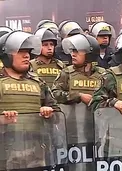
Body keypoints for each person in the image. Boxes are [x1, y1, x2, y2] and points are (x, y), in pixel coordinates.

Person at [0, 31, 60, 169]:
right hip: (4, 157)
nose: (26, 55)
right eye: (20, 52)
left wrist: (49, 113)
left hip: (36, 156)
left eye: (27, 52)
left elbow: (57, 114)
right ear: (7, 56)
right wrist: (1, 120)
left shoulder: (38, 82)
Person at [51, 34, 105, 105]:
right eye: (73, 51)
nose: (73, 54)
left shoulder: (103, 74)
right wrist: (78, 96)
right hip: (72, 115)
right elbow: (54, 94)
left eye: (77, 51)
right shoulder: (67, 72)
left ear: (89, 54)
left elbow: (112, 97)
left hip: (97, 115)